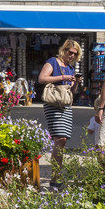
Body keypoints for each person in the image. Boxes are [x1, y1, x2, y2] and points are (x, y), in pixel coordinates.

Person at [38, 39, 81, 170]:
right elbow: (42, 78)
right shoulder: (53, 62)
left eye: (75, 53)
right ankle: (55, 175)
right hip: (53, 105)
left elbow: (71, 92)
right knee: (59, 139)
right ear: (64, 50)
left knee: (63, 140)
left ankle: (56, 174)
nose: (72, 55)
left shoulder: (71, 68)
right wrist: (63, 78)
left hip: (66, 106)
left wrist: (76, 82)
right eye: (70, 52)